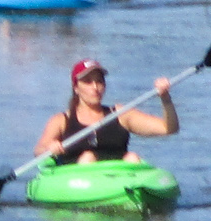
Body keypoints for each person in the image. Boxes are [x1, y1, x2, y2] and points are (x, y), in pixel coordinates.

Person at [37, 58, 177, 166]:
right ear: (76, 88)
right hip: (79, 175)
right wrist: (49, 148)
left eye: (99, 81)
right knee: (88, 158)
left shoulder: (120, 114)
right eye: (88, 82)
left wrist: (165, 98)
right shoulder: (62, 120)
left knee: (132, 158)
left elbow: (169, 128)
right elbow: (39, 149)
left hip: (116, 179)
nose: (95, 87)